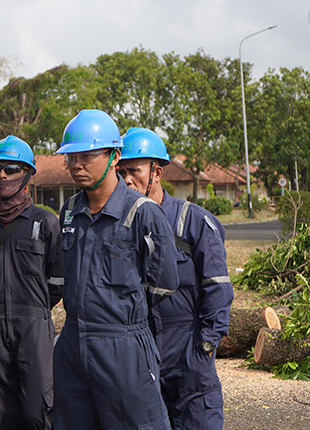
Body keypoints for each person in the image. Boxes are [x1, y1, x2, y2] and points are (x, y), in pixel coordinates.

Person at [52, 110, 179, 430]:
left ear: (114, 156)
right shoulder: (69, 211)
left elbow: (163, 284)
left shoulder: (143, 213)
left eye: (87, 155)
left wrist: (120, 316)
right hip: (73, 344)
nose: (76, 165)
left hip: (123, 345)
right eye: (70, 157)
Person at [117, 127, 233, 430]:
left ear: (156, 171)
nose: (126, 179)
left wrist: (205, 347)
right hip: (143, 353)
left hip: (188, 351)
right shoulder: (122, 226)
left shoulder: (194, 221)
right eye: (120, 172)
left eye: (134, 171)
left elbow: (218, 289)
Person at [0, 136, 64, 430]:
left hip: (34, 326)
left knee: (38, 409)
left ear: (26, 173)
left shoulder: (46, 223)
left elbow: (56, 283)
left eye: (11, 168)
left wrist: (32, 311)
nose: (2, 175)